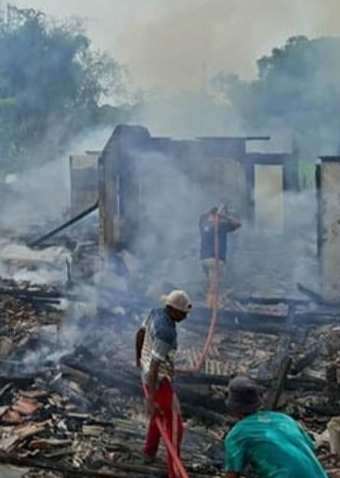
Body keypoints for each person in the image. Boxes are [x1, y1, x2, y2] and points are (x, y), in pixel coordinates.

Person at [135, 289, 192, 477]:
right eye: (183, 313)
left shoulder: (154, 313)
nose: (185, 316)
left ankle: (149, 452)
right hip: (158, 382)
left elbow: (140, 333)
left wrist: (137, 359)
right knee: (175, 426)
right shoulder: (166, 332)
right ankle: (175, 472)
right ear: (173, 310)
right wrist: (151, 398)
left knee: (158, 416)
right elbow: (154, 365)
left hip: (147, 377)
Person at [224, 376, 326, 477]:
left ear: (233, 408)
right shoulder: (284, 419)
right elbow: (310, 448)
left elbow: (232, 476)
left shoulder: (237, 434)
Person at [199, 203, 241, 304]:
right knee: (214, 286)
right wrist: (224, 216)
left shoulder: (203, 222)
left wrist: (218, 213)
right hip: (216, 260)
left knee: (212, 284)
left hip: (203, 259)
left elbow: (207, 217)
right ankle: (211, 308)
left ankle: (211, 305)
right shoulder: (221, 225)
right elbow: (238, 224)